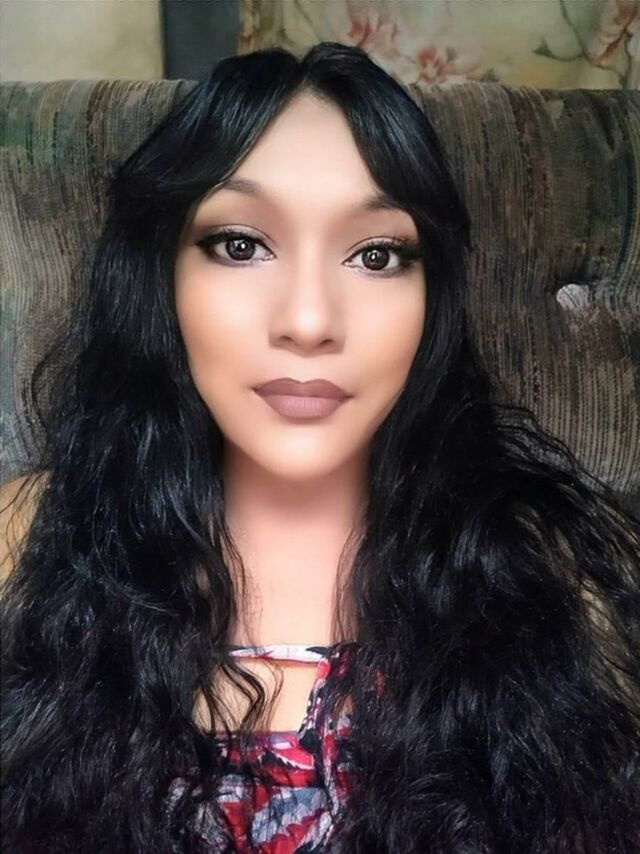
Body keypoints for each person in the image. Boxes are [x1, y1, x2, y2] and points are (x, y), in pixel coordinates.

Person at [1, 41, 639, 854]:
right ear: (161, 277)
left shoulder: (547, 574)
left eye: (377, 255)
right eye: (240, 245)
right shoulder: (27, 541)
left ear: (432, 297)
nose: (308, 321)